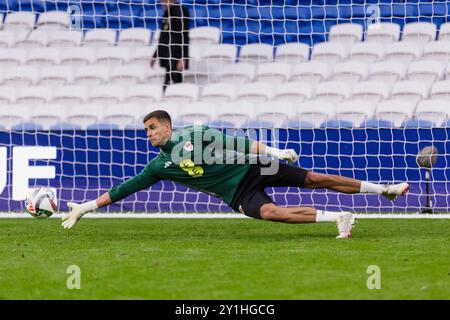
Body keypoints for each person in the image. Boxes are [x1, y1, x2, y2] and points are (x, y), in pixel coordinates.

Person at [62, 110, 410, 239]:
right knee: (272, 214)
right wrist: (85, 207)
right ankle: (341, 217)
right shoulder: (158, 167)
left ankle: (386, 190)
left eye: (152, 128)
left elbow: (238, 143)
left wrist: (274, 152)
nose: (149, 134)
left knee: (315, 179)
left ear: (167, 126)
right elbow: (125, 189)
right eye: (146, 130)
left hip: (254, 167)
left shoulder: (195, 135)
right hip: (238, 194)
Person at [150, 0, 190, 90]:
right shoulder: (167, 13)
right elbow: (163, 35)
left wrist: (183, 58)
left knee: (175, 81)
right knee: (169, 80)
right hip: (167, 54)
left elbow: (184, 36)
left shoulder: (180, 12)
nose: (162, 3)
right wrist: (155, 55)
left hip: (176, 54)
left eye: (164, 1)